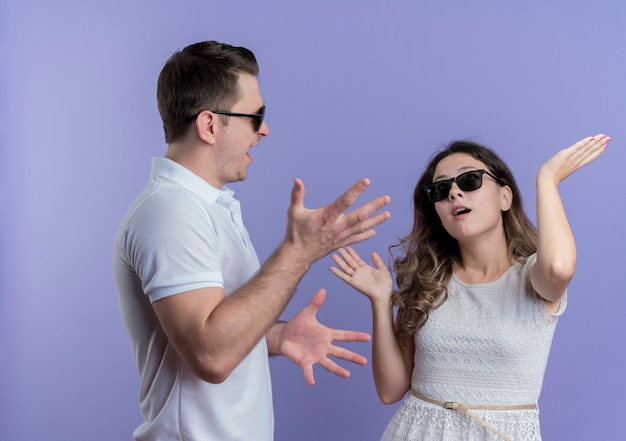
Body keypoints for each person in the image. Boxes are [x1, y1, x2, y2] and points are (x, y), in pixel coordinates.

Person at [113, 40, 391, 441]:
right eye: (255, 116)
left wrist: (276, 336)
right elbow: (211, 355)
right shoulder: (171, 212)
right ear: (209, 125)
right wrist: (300, 252)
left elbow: (211, 328)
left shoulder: (206, 207)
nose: (264, 129)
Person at [331, 135, 610, 441]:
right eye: (440, 189)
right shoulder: (427, 281)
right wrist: (381, 301)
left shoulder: (532, 279)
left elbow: (559, 267)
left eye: (469, 180)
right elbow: (390, 390)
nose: (453, 192)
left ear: (506, 197)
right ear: (436, 211)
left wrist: (547, 179)